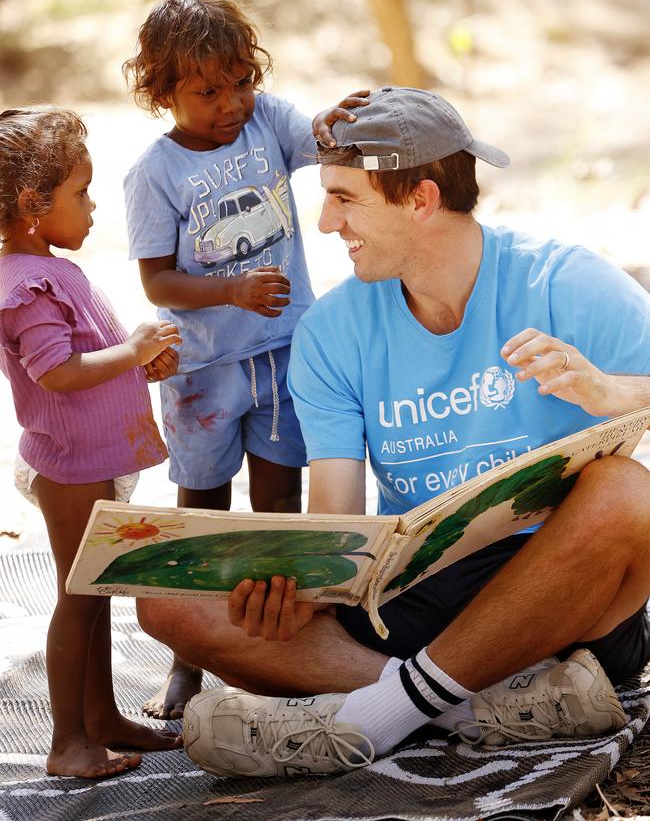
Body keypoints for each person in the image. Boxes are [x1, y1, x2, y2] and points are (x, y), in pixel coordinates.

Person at [137, 87, 650, 777]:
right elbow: (337, 522)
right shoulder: (332, 330)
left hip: (562, 591)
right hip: (417, 595)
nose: (323, 222)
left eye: (345, 198)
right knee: (167, 600)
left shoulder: (565, 280)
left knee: (626, 493)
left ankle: (374, 714)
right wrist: (301, 592)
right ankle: (469, 706)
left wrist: (613, 391)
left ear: (421, 199)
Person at [122, 0, 369, 720]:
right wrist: (229, 290)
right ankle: (189, 659)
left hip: (290, 352)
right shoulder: (154, 174)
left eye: (241, 82)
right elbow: (155, 278)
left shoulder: (268, 121)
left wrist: (332, 121)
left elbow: (316, 139)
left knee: (279, 503)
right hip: (205, 371)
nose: (230, 102)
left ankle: (285, 647)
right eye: (207, 92)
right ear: (162, 91)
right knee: (203, 504)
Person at [0, 107, 184, 779]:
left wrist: (138, 358)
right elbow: (55, 370)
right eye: (80, 192)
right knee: (78, 596)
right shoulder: (26, 285)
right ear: (32, 205)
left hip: (89, 459)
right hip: (71, 465)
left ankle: (100, 717)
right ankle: (67, 742)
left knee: (96, 587)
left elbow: (86, 354)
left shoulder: (46, 269)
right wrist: (131, 350)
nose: (93, 203)